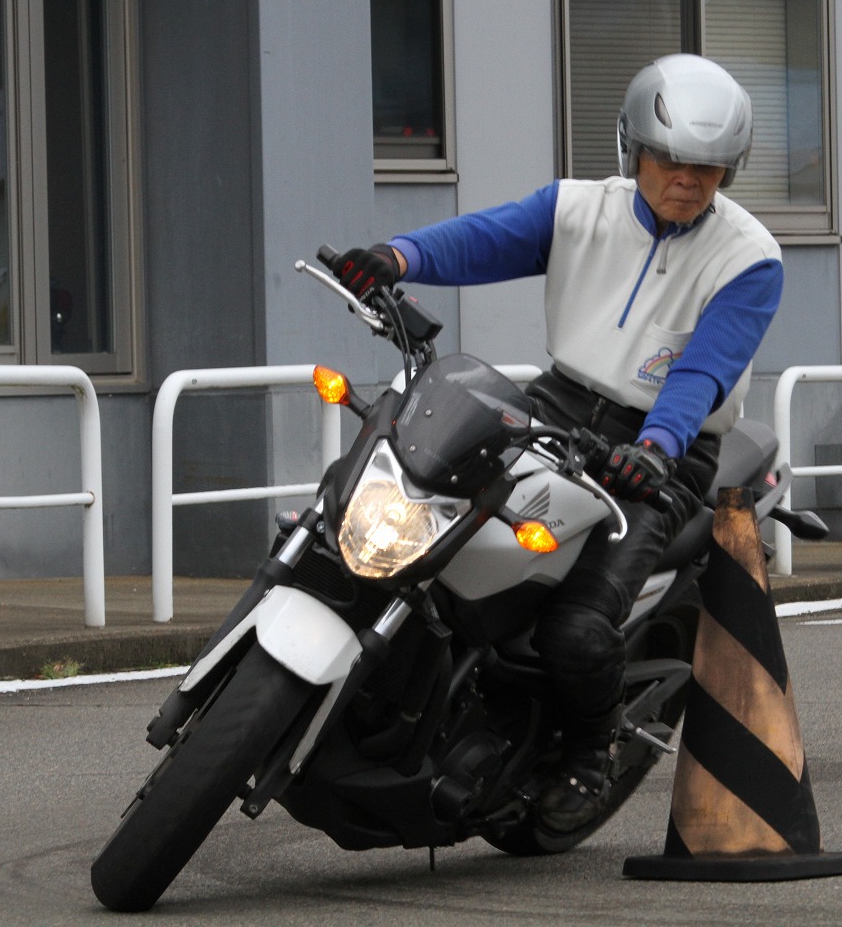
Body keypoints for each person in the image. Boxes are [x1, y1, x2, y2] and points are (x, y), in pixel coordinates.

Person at [328, 53, 783, 832]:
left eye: (708, 167)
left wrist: (657, 447)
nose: (686, 179)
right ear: (633, 149)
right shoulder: (578, 209)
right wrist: (397, 258)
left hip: (663, 447)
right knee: (417, 510)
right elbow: (486, 240)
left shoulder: (750, 257)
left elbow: (702, 371)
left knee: (577, 626)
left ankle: (591, 750)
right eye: (669, 159)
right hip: (557, 402)